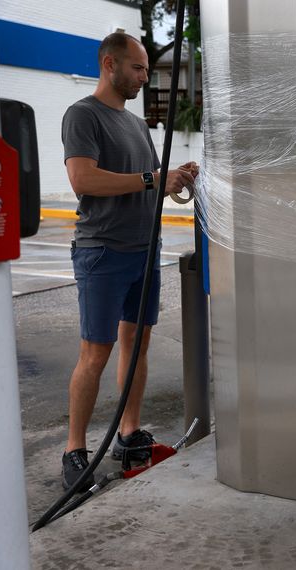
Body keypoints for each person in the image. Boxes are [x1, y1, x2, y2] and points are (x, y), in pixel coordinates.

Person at [60, 32, 198, 491]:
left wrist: (175, 180)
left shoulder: (137, 124)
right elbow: (84, 179)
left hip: (144, 249)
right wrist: (150, 178)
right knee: (95, 352)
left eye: (144, 69)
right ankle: (74, 451)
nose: (144, 77)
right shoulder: (83, 115)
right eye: (137, 68)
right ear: (109, 64)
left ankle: (128, 433)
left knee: (136, 343)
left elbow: (148, 184)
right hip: (103, 250)